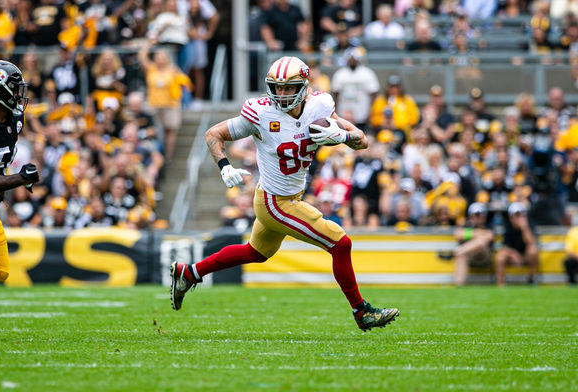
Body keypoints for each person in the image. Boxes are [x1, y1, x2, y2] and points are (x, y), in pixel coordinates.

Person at [169, 56, 399, 331]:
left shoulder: (320, 106)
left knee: (255, 252)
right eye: (276, 87)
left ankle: (189, 273)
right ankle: (361, 312)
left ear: (303, 86)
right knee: (340, 243)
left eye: (288, 88)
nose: (281, 93)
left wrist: (343, 137)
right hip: (274, 202)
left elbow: (363, 141)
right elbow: (212, 134)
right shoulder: (260, 113)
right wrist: (224, 166)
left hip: (288, 197)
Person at [0, 60, 39, 340]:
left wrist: (5, 185)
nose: (18, 95)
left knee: (0, 269)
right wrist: (19, 180)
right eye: (14, 89)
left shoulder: (14, 119)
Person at [494, 202, 539, 286]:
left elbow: (531, 243)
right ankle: (500, 284)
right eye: (516, 215)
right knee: (500, 257)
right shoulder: (508, 227)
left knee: (533, 250)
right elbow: (506, 246)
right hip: (512, 255)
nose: (519, 218)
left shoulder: (530, 225)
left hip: (526, 255)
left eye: (521, 215)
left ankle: (531, 279)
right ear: (511, 217)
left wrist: (524, 228)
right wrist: (514, 254)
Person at [453, 202, 494, 286]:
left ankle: (460, 250)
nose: (478, 217)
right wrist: (477, 233)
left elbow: (490, 236)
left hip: (484, 255)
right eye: (475, 214)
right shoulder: (467, 225)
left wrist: (470, 234)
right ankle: (459, 284)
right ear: (470, 216)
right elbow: (458, 234)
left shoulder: (488, 225)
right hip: (470, 256)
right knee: (462, 255)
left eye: (480, 214)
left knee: (481, 242)